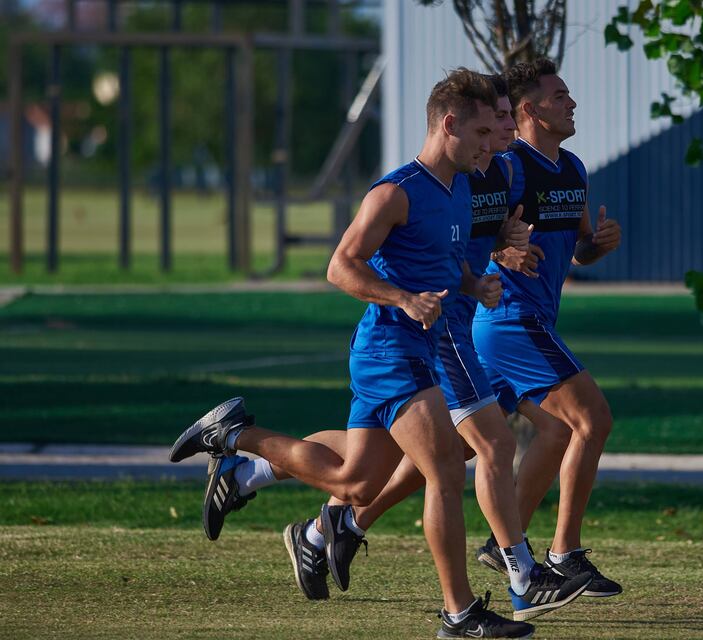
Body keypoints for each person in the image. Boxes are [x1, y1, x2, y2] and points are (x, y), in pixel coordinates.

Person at [196, 75, 591, 624]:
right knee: (451, 466)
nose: (491, 140)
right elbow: (340, 266)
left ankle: (235, 441)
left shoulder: (457, 187)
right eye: (482, 128)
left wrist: (475, 283)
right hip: (391, 348)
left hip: (418, 346)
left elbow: (445, 259)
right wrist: (403, 298)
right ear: (449, 124)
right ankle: (472, 604)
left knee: (357, 481)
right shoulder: (396, 191)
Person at [470, 58, 624, 599]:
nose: (572, 103)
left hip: (522, 325)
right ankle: (564, 555)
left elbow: (578, 249)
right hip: (510, 320)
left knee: (437, 455)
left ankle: (333, 524)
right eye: (561, 96)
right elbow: (469, 230)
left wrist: (596, 245)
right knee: (593, 418)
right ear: (531, 109)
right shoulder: (508, 167)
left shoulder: (574, 168)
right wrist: (500, 252)